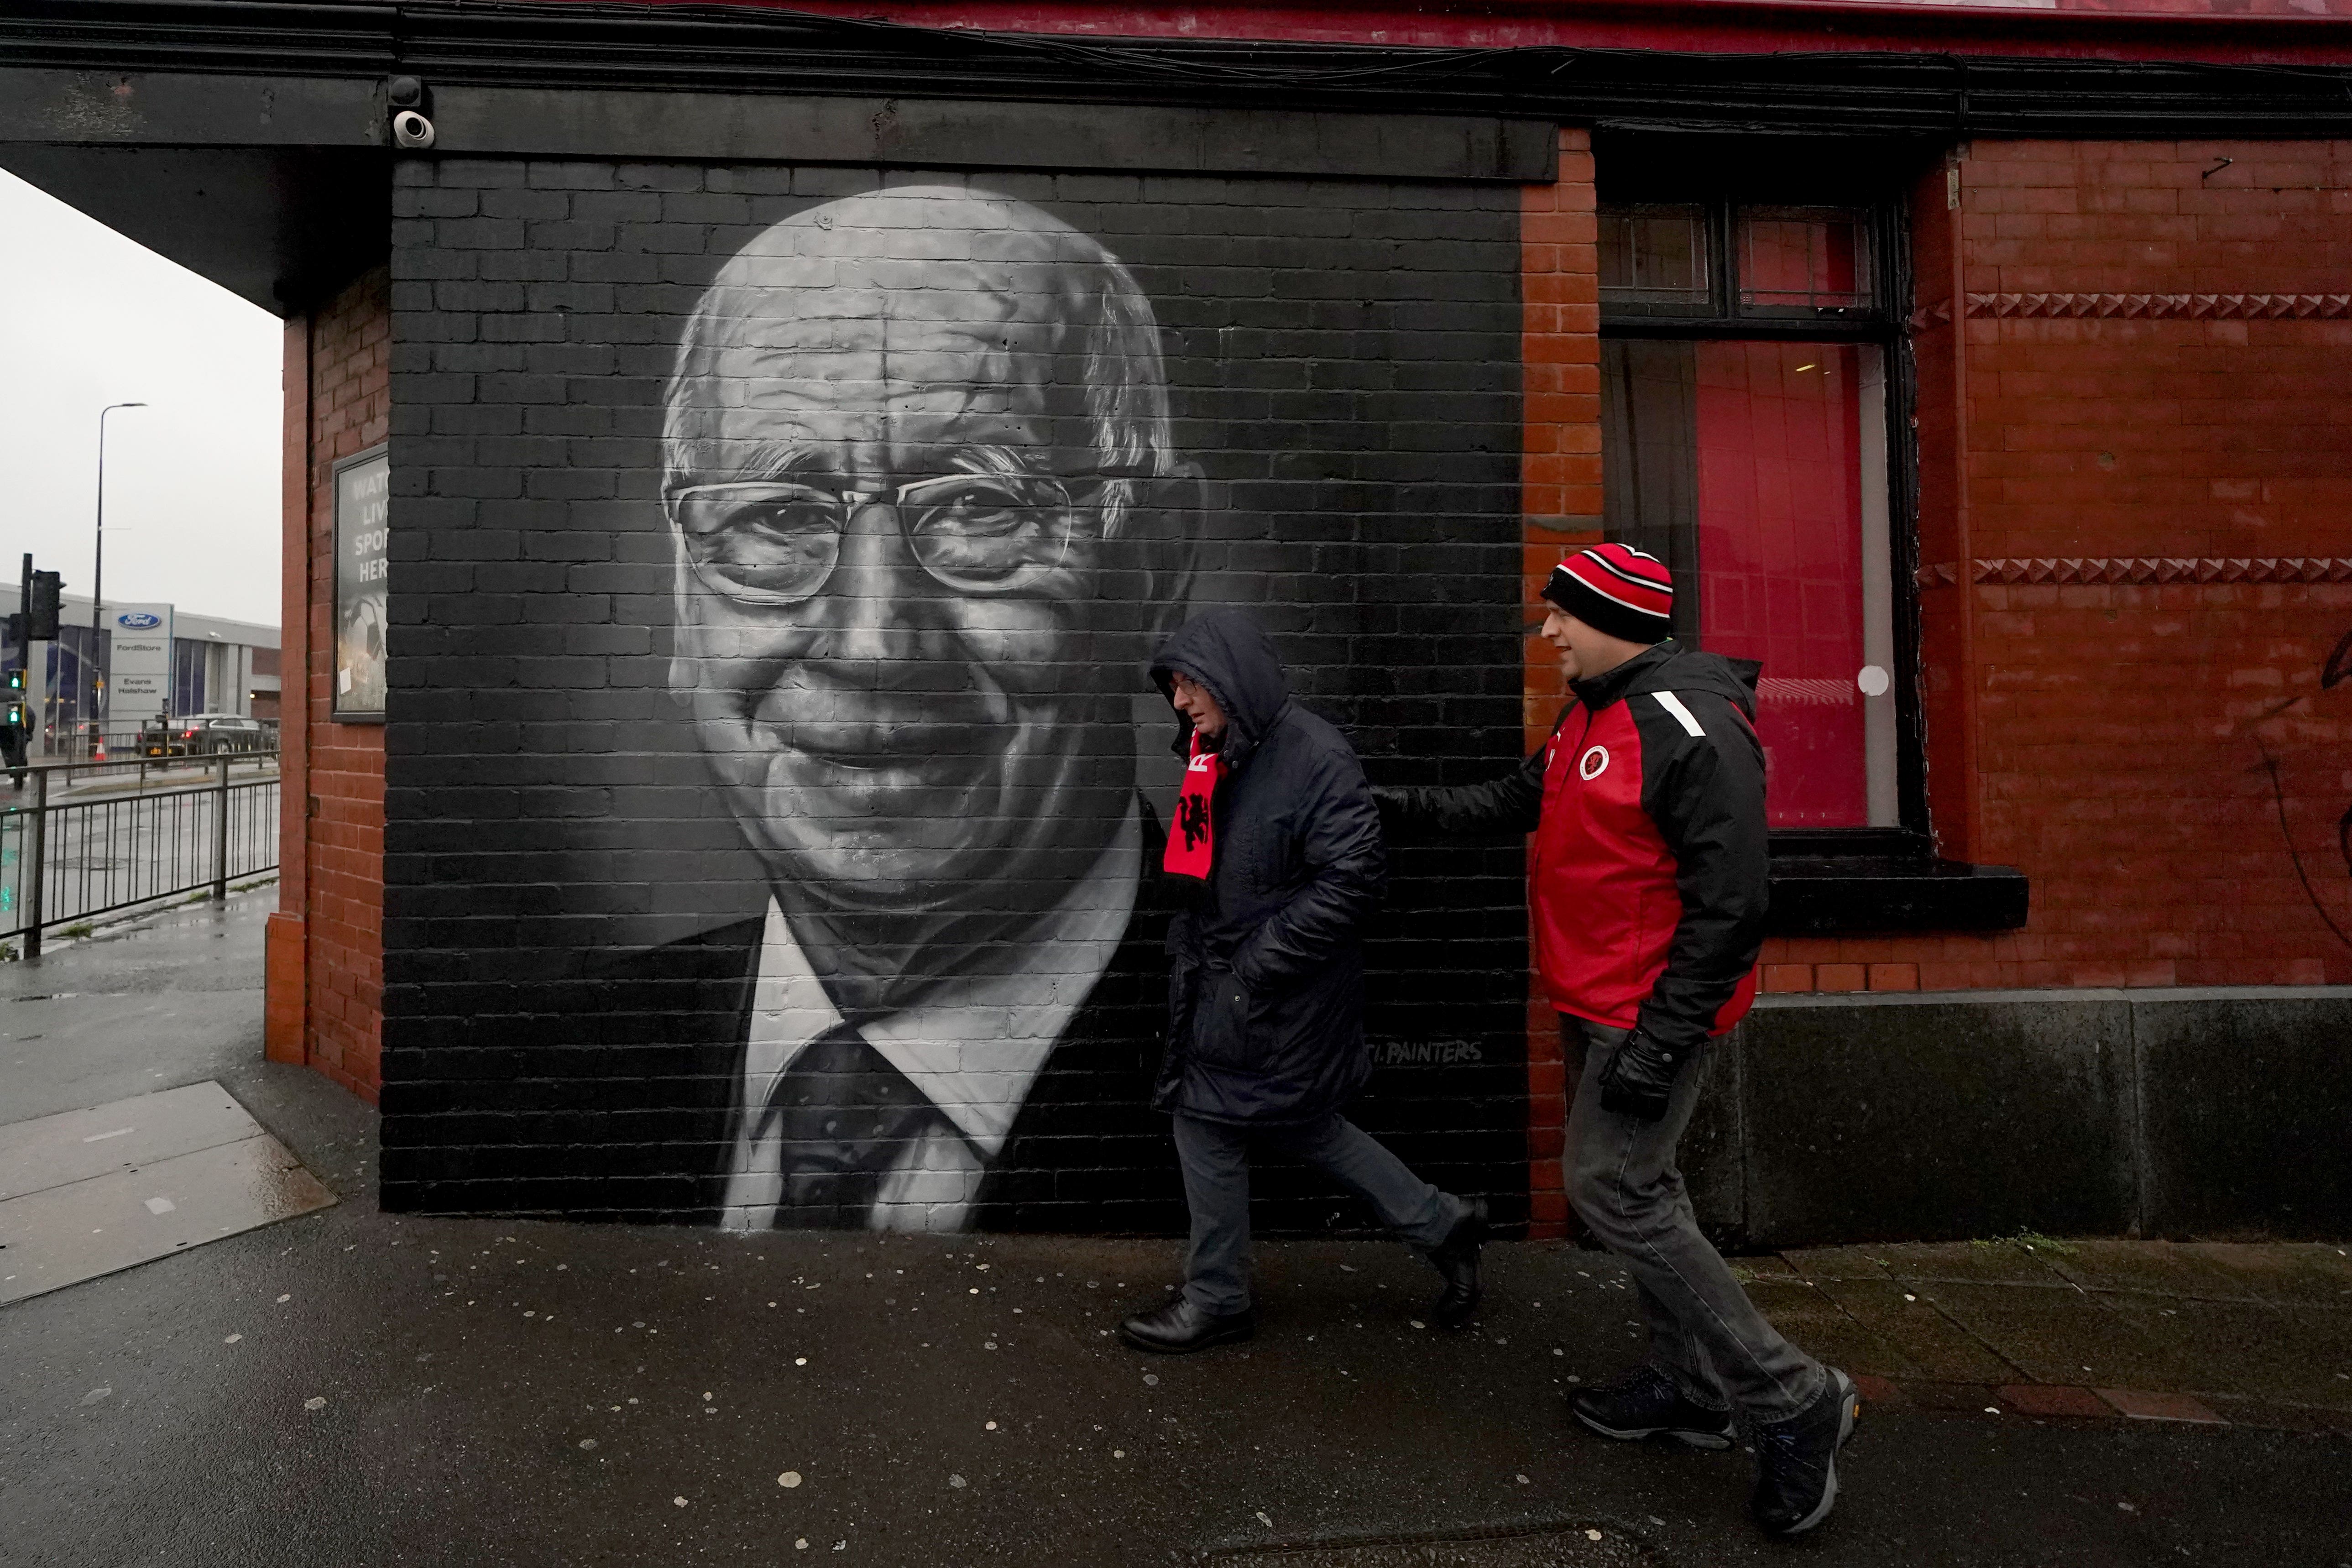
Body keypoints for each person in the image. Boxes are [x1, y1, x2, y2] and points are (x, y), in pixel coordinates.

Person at [634, 184, 1201, 1234]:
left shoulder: (1271, 1060)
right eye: (778, 515)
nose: (873, 643)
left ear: (1153, 571)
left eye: (982, 505)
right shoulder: (556, 1061)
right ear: (682, 595)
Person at [1375, 543, 1858, 1537]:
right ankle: (1689, 1390)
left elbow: (1733, 904)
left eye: (1562, 613)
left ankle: (1792, 1394)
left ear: (1612, 618)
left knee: (1611, 1187)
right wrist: (1390, 807)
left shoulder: (1689, 722)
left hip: (1647, 1013)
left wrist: (1656, 1041)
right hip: (1592, 998)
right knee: (1644, 1189)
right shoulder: (1589, 710)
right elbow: (1516, 802)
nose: (1546, 628)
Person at [1119, 607, 1486, 1354]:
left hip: (1272, 992)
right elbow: (1200, 869)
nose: (1181, 702)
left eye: (1192, 686)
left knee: (1206, 1122)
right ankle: (1441, 1222)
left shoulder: (1313, 755)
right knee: (1300, 1125)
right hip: (1226, 985)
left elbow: (1354, 880)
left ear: (1232, 680)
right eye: (1176, 688)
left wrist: (1257, 964)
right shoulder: (1216, 751)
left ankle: (1218, 1298)